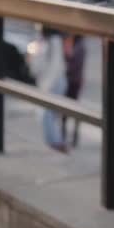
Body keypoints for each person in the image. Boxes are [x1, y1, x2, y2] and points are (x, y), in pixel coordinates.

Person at [27, 25, 68, 153]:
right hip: (46, 82)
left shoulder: (54, 41)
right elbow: (35, 62)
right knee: (46, 114)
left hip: (52, 83)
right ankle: (54, 142)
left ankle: (56, 143)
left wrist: (46, 87)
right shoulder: (42, 40)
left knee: (46, 113)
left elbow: (55, 66)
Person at [61, 33, 86, 147]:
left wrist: (66, 53)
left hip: (74, 81)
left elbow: (72, 63)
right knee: (66, 110)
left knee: (73, 109)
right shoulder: (75, 44)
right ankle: (64, 134)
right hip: (72, 80)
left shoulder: (79, 46)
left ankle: (73, 136)